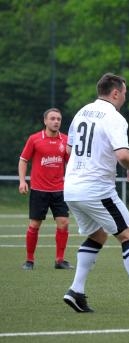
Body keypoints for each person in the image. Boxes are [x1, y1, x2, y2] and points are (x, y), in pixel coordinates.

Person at [62, 73, 129, 313]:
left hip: (71, 188)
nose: (125, 98)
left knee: (98, 236)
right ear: (116, 93)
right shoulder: (114, 117)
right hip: (96, 188)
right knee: (128, 235)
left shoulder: (81, 112)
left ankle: (76, 291)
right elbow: (122, 154)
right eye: (125, 93)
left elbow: (68, 149)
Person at [18, 108, 73, 270]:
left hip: (59, 190)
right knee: (34, 225)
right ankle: (29, 260)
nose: (56, 121)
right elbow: (23, 160)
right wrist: (22, 181)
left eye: (59, 119)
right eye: (53, 118)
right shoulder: (34, 139)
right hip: (39, 190)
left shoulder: (66, 140)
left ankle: (59, 260)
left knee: (63, 223)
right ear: (45, 121)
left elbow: (71, 165)